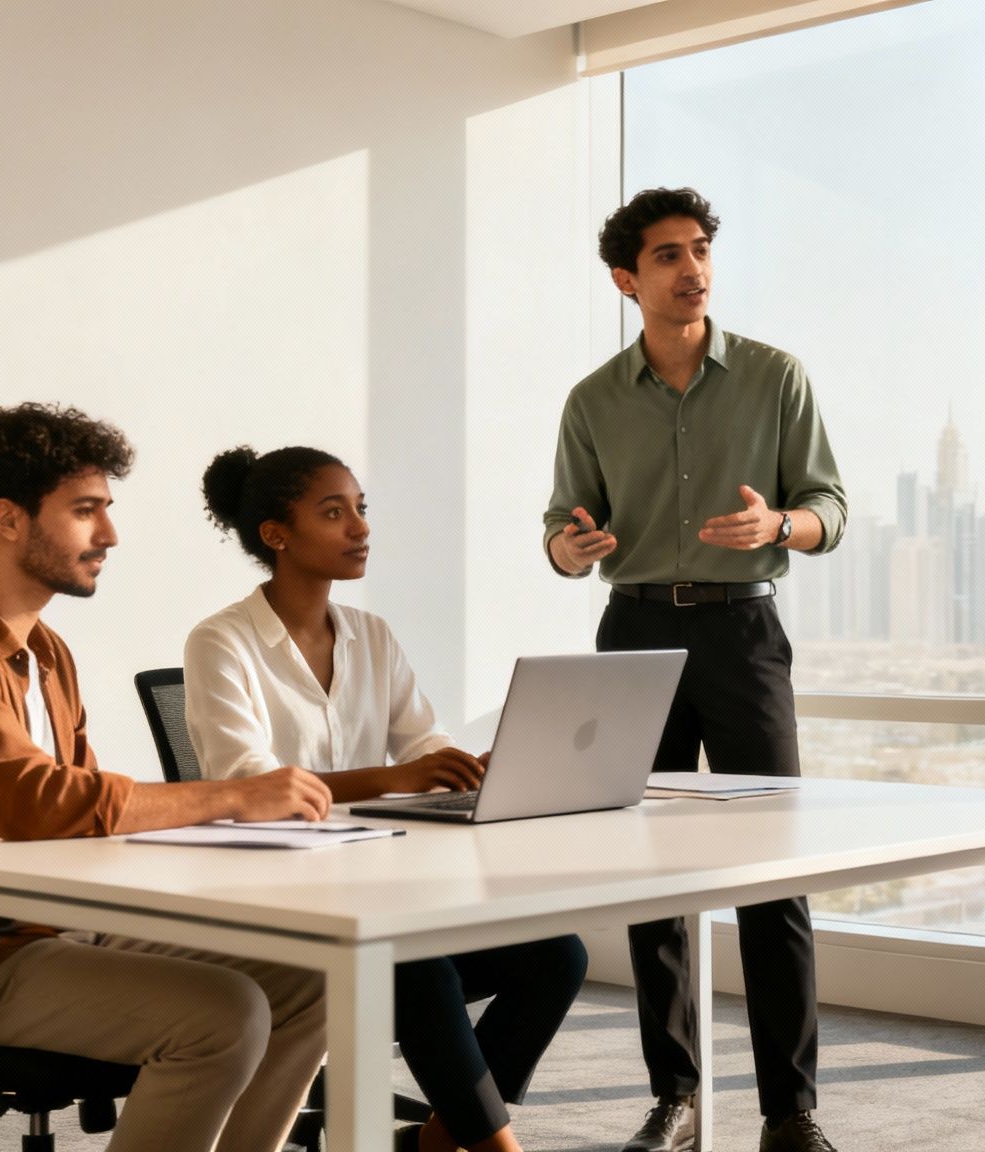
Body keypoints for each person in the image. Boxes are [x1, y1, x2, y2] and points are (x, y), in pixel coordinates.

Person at [0, 403, 337, 1152]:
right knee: (223, 1013)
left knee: (314, 977)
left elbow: (88, 817)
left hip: (53, 929)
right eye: (85, 511)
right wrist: (237, 793)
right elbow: (39, 804)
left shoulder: (46, 652)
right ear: (8, 520)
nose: (109, 535)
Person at [544, 188, 849, 1152]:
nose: (694, 269)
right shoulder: (593, 400)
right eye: (670, 255)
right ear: (627, 280)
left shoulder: (775, 377)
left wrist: (779, 526)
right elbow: (561, 527)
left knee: (773, 871)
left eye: (702, 250)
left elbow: (828, 507)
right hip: (632, 634)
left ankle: (789, 1114)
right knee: (651, 877)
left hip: (742, 634)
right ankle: (676, 1097)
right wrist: (572, 548)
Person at [183, 444, 589, 1152]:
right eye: (333, 512)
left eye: (361, 509)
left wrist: (469, 766)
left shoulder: (371, 636)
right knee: (415, 966)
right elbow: (248, 782)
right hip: (280, 912)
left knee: (558, 954)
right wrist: (391, 779)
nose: (360, 527)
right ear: (277, 534)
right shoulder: (222, 642)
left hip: (374, 889)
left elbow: (420, 742)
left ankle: (439, 1140)